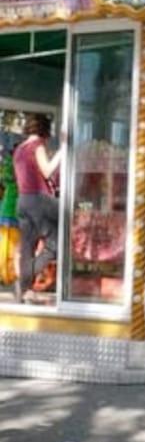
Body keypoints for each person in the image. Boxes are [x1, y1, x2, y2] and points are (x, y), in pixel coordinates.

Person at [13, 114, 62, 303]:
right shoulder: (37, 146)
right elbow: (47, 170)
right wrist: (62, 150)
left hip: (22, 200)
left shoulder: (19, 149)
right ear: (45, 130)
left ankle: (24, 290)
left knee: (27, 248)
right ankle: (24, 281)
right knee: (55, 244)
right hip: (38, 200)